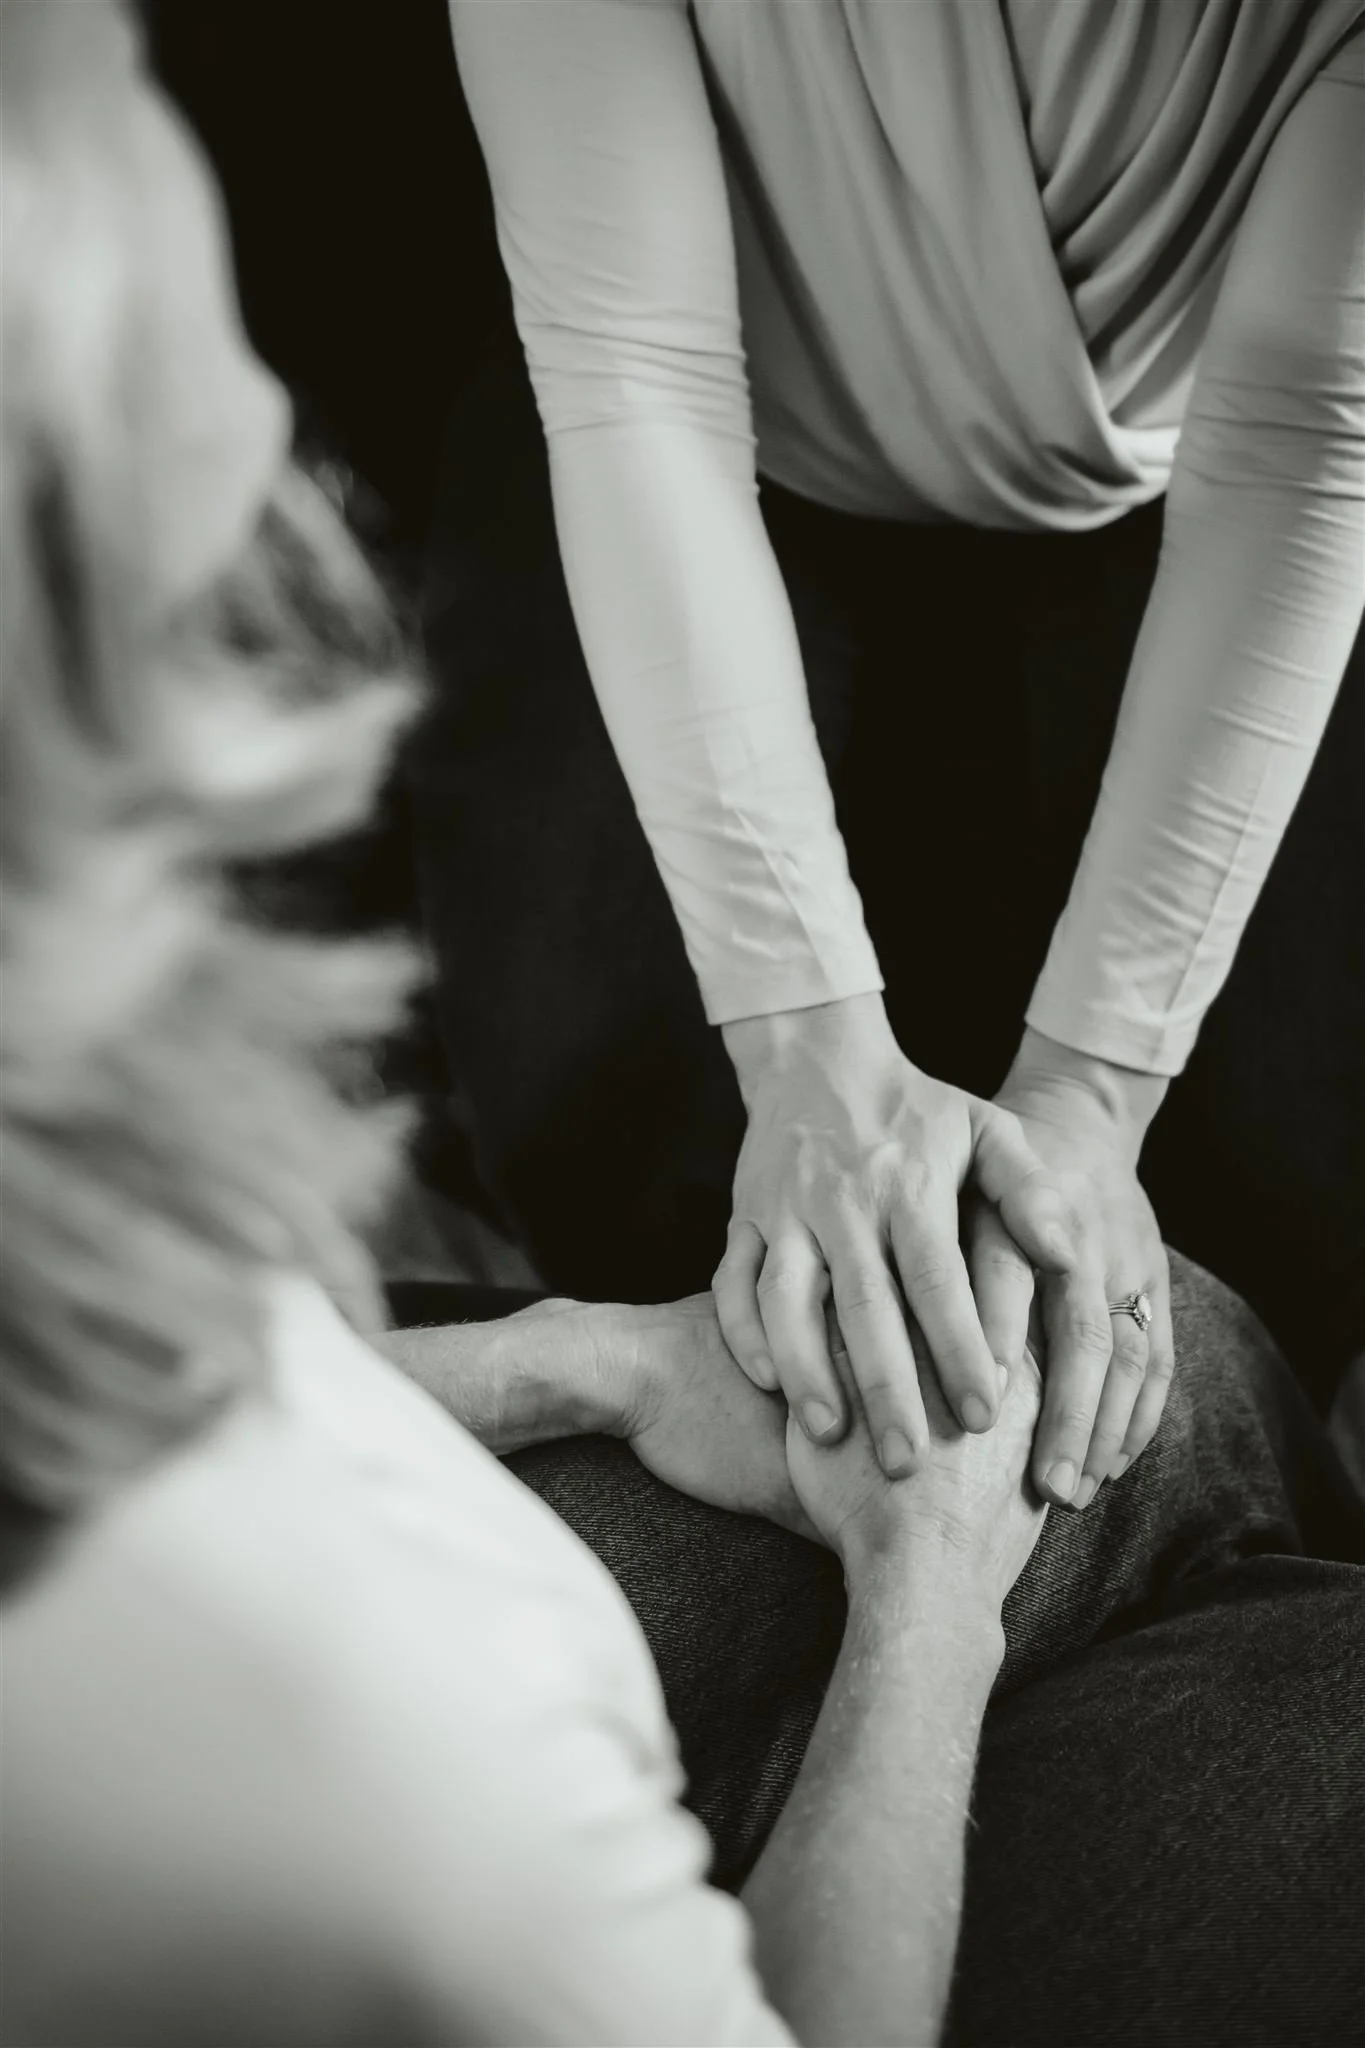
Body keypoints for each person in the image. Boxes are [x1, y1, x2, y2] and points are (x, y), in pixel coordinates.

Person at [3, 8, 1365, 2046]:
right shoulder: (401, 1836)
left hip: (533, 1502)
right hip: (719, 1787)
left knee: (1098, 1361)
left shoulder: (120, 1284)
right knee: (1146, 1403)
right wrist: (926, 1605)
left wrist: (581, 1358)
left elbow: (1297, 425)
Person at [414, 0, 1365, 1507]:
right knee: (622, 1112)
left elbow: (1306, 431)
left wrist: (1094, 1093)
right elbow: (636, 368)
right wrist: (802, 1044)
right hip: (685, 420)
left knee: (1259, 1189)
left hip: (1208, 483)